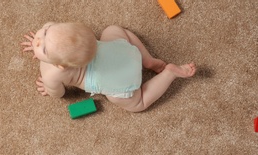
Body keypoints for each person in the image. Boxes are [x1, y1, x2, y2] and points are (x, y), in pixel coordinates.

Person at [21, 22, 196, 112]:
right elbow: (57, 30)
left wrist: (47, 87)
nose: (38, 37)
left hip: (123, 84)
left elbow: (59, 94)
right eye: (42, 35)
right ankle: (148, 60)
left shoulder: (50, 74)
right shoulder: (52, 27)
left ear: (60, 65)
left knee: (139, 103)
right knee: (113, 29)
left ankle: (169, 74)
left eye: (43, 41)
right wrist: (48, 35)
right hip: (126, 53)